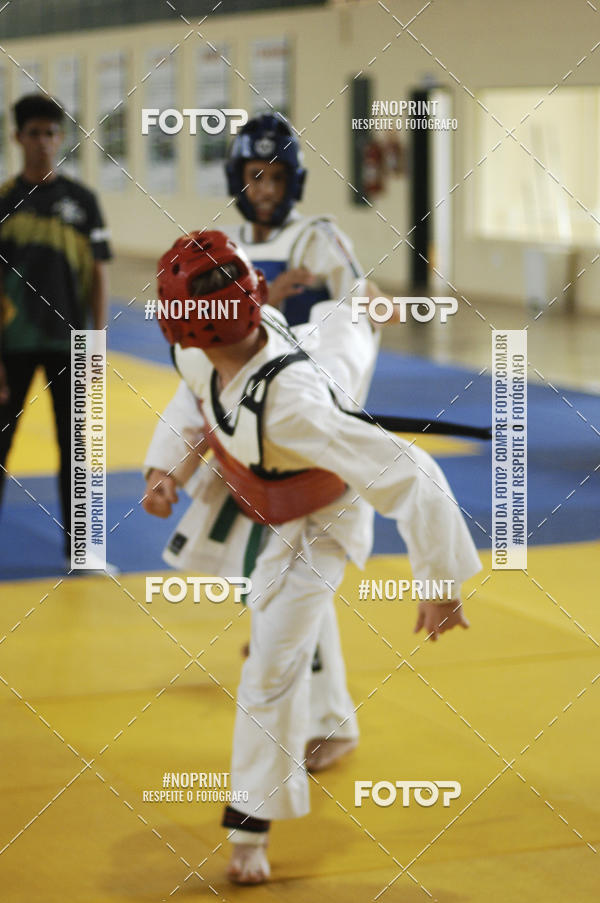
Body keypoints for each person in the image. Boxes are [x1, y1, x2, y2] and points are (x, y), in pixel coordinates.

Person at [143, 231, 481, 884]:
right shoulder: (201, 353)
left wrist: (440, 583)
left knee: (270, 665)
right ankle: (357, 302)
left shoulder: (294, 406)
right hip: (294, 405)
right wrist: (169, 469)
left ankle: (249, 829)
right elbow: (192, 395)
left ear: (184, 324)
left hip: (322, 510)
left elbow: (412, 471)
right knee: (342, 331)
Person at [0, 94, 112, 569]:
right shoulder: (4, 201)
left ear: (60, 138)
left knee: (79, 450)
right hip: (11, 346)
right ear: (18, 138)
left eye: (51, 133)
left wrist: (97, 342)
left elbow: (100, 274)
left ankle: (83, 552)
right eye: (34, 134)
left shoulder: (82, 201)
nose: (44, 143)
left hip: (71, 344)